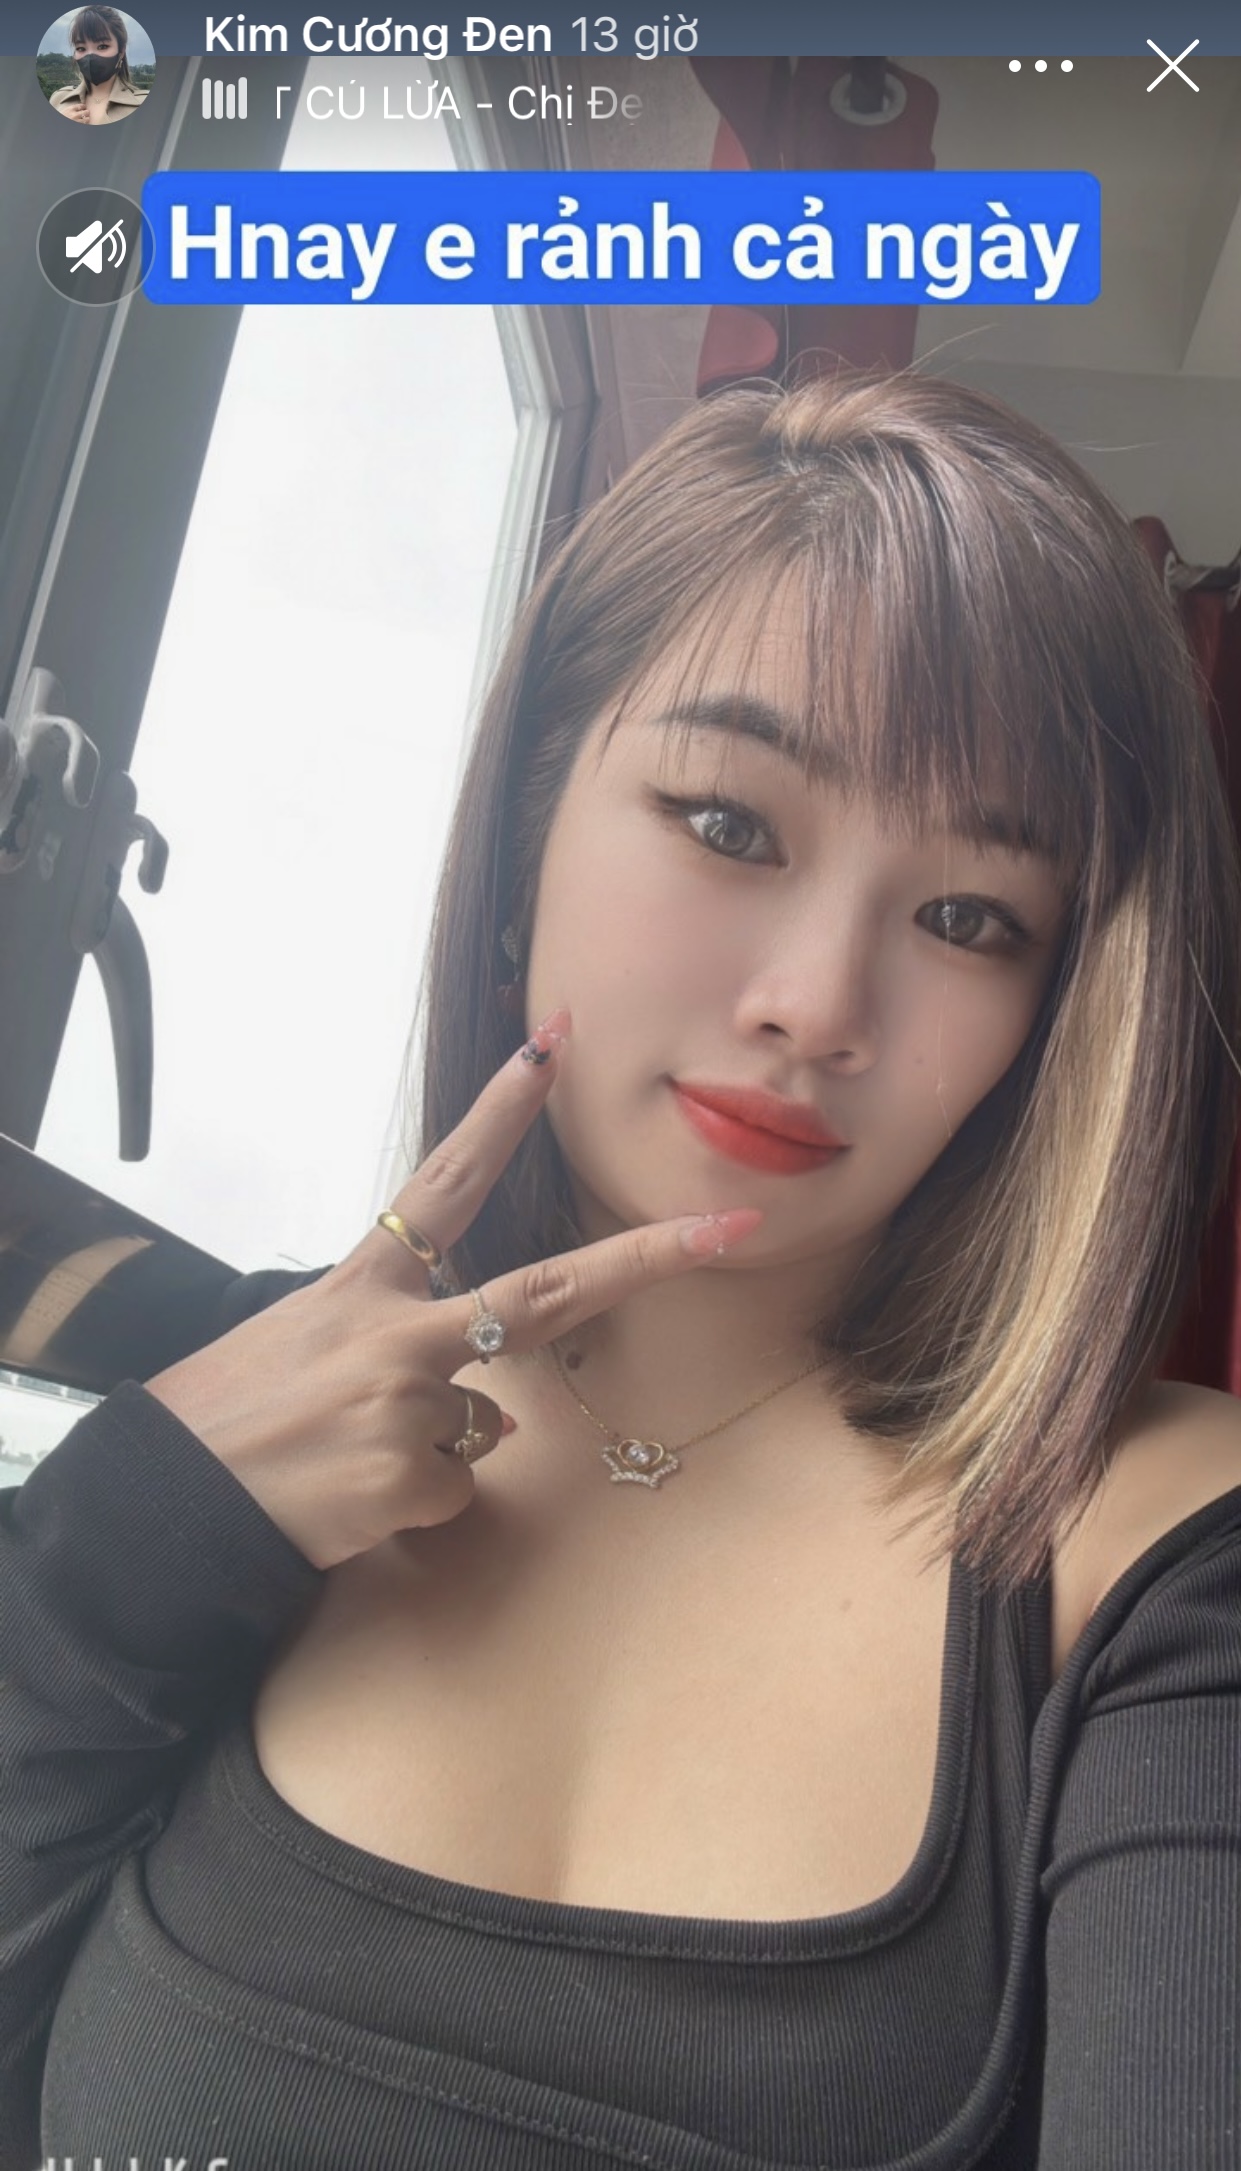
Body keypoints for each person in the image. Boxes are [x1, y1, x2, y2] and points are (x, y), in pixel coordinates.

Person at [3, 371, 1240, 2168]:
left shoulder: (1152, 1554)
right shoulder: (242, 1427)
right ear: (523, 839)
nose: (815, 1004)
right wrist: (124, 1541)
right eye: (730, 824)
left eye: (969, 918)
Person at [46, 5, 148, 127]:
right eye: (81, 48)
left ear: (121, 51)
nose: (90, 56)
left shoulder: (143, 104)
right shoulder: (58, 100)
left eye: (102, 46)